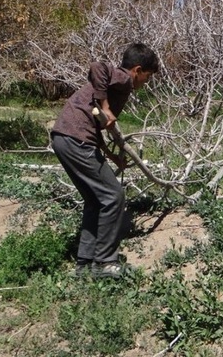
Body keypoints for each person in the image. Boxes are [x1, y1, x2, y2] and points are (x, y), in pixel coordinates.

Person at [51, 42, 159, 279]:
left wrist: (110, 155)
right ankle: (105, 263)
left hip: (65, 136)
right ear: (137, 70)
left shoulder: (119, 85)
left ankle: (85, 264)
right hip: (75, 137)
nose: (146, 83)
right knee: (113, 196)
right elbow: (98, 66)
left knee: (95, 200)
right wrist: (107, 106)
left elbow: (97, 124)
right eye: (148, 77)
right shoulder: (123, 78)